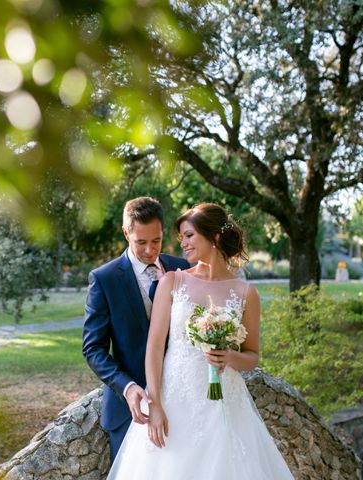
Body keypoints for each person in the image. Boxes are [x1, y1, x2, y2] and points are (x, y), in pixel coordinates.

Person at [107, 203, 294, 479]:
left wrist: (229, 357)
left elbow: (252, 355)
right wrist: (155, 404)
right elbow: (155, 347)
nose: (182, 243)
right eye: (182, 237)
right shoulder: (173, 281)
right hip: (173, 400)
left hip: (225, 405)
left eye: (189, 235)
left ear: (215, 236)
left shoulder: (246, 293)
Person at [82, 196, 189, 462]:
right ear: (126, 232)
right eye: (141, 242)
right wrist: (127, 387)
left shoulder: (182, 268)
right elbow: (93, 348)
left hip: (184, 400)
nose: (150, 250)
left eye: (157, 240)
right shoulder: (104, 279)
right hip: (131, 411)